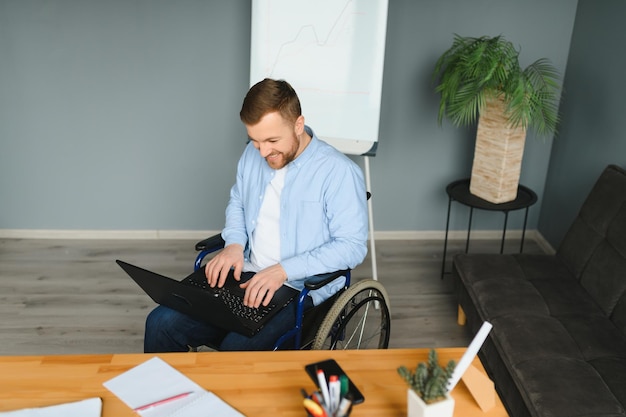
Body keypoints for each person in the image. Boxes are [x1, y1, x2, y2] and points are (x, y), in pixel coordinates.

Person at [144, 78, 369, 351]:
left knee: (235, 350)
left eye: (272, 140)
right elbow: (238, 201)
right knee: (159, 322)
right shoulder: (252, 155)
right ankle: (170, 394)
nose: (263, 152)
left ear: (298, 125)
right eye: (255, 141)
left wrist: (284, 270)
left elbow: (352, 246)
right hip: (246, 273)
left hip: (299, 289)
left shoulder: (338, 172)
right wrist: (234, 245)